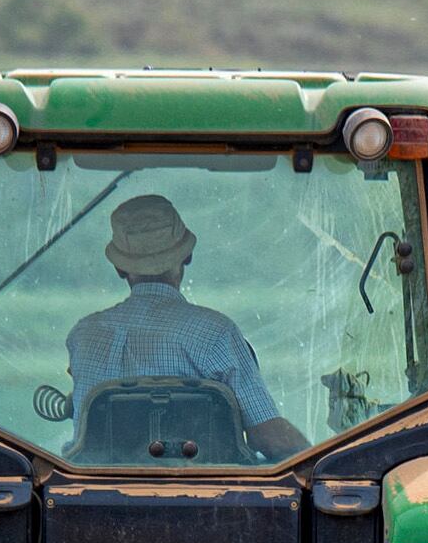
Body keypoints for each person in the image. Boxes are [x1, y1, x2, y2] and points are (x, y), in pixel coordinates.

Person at [67, 195, 308, 459]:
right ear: (188, 255)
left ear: (120, 269)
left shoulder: (82, 336)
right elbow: (269, 437)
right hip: (210, 496)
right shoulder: (215, 333)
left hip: (97, 493)